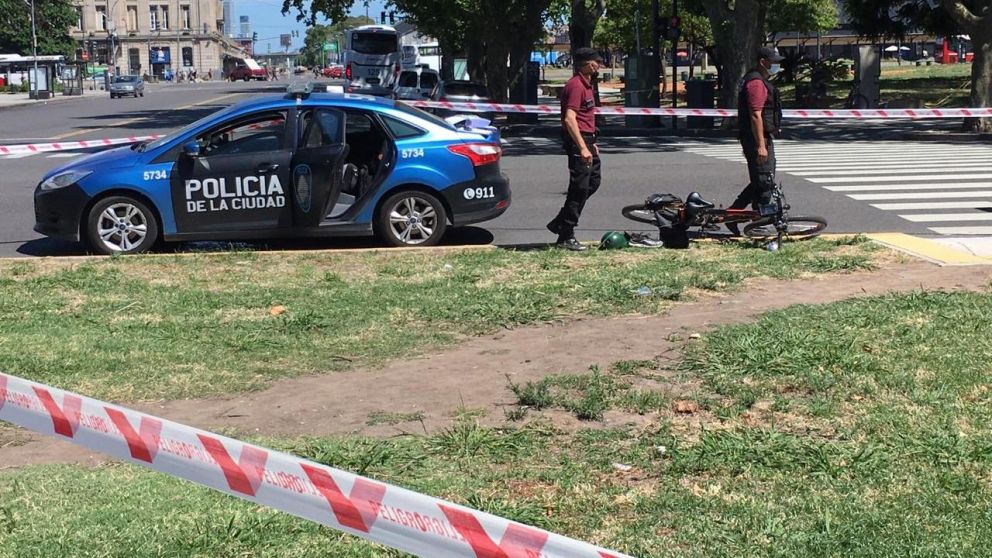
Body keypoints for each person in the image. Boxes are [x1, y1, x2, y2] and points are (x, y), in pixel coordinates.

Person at [546, 47, 603, 251]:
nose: (599, 65)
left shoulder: (587, 85)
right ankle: (565, 234)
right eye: (597, 62)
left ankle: (560, 222)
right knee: (579, 189)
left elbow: (585, 117)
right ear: (587, 64)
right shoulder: (576, 86)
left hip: (588, 140)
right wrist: (582, 146)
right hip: (579, 143)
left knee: (593, 183)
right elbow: (570, 119)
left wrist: (591, 142)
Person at [729, 46, 784, 233]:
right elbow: (755, 115)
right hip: (757, 140)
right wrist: (761, 145)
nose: (776, 65)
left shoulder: (758, 81)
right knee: (764, 181)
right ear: (763, 62)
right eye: (774, 62)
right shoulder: (756, 84)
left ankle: (732, 214)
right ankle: (758, 225)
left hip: (762, 138)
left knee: (761, 181)